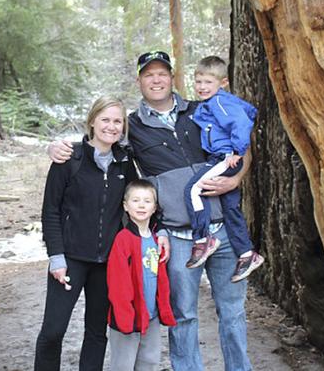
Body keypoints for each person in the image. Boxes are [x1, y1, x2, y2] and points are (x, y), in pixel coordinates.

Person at [49, 51, 253, 371]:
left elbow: (241, 142)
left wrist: (236, 178)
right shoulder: (133, 125)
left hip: (223, 229)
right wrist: (60, 147)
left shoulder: (202, 109)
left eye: (162, 73)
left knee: (233, 313)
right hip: (180, 234)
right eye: (149, 75)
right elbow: (102, 137)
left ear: (173, 77)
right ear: (140, 81)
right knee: (183, 316)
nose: (156, 80)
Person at [35, 95, 138, 371]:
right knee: (53, 330)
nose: (112, 126)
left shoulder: (124, 162)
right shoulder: (70, 158)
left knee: (96, 332)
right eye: (105, 119)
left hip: (107, 264)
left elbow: (137, 203)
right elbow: (51, 211)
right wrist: (56, 256)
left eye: (118, 121)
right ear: (92, 121)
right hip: (70, 259)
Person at [183, 56, 264, 282]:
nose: (202, 87)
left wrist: (237, 151)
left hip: (224, 157)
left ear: (223, 82)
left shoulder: (219, 102)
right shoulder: (211, 104)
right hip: (224, 155)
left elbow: (241, 123)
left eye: (208, 82)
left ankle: (203, 238)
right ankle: (247, 254)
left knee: (192, 190)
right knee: (231, 208)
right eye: (198, 82)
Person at [107, 180, 176, 371]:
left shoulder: (157, 240)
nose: (141, 205)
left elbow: (159, 278)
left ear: (155, 208)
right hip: (127, 316)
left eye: (147, 201)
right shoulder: (123, 240)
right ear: (125, 206)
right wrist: (124, 316)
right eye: (135, 200)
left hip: (151, 315)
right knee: (123, 365)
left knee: (149, 362)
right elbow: (117, 283)